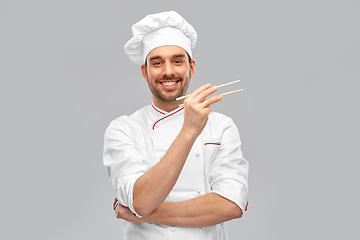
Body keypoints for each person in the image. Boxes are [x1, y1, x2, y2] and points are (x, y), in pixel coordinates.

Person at [103, 10, 249, 240]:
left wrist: (144, 214)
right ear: (145, 72)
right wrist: (190, 130)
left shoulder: (222, 126)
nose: (168, 71)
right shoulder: (123, 130)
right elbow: (141, 201)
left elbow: (231, 205)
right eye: (157, 63)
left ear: (191, 67)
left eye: (177, 61)